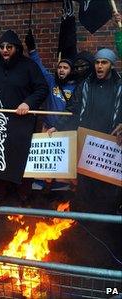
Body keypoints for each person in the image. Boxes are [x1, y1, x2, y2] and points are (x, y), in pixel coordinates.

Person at [0, 29, 48, 205]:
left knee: (20, 157)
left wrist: (28, 103)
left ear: (17, 48)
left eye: (9, 47)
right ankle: (0, 192)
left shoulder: (29, 66)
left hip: (21, 121)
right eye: (2, 47)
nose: (5, 50)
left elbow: (42, 88)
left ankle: (24, 193)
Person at [50, 48, 122, 214]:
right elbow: (73, 109)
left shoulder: (120, 86)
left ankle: (106, 222)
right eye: (97, 62)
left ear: (111, 65)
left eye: (104, 63)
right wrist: (59, 126)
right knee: (85, 185)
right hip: (88, 144)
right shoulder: (85, 85)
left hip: (111, 146)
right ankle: (84, 225)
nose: (99, 66)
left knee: (108, 189)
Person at [25, 29, 76, 191]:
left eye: (66, 68)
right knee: (44, 162)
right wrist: (32, 49)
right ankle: (41, 188)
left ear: (71, 71)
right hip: (47, 128)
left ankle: (59, 189)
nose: (61, 70)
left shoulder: (77, 86)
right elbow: (38, 65)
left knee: (62, 164)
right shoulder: (50, 80)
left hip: (65, 130)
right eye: (60, 67)